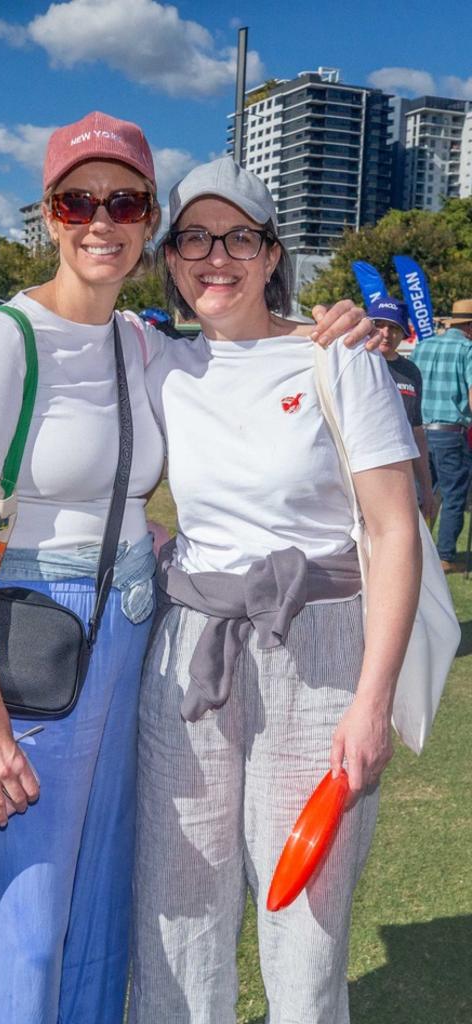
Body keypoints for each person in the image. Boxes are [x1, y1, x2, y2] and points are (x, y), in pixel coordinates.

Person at [0, 112, 374, 1024]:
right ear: (48, 215)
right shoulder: (0, 340)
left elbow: (248, 370)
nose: (101, 220)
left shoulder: (143, 344)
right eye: (77, 200)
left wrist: (346, 328)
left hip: (138, 637)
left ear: (146, 228)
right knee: (27, 911)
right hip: (29, 638)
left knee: (106, 907)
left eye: (123, 200)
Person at [129, 159, 421, 1024]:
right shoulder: (161, 363)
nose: (215, 256)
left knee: (309, 913)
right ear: (171, 259)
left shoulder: (339, 358)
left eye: (238, 238)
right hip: (191, 652)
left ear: (270, 254)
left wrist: (372, 704)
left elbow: (395, 530)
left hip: (322, 650)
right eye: (193, 237)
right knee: (178, 899)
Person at [412, 298, 472, 571]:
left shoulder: (423, 346)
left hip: (419, 430)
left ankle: (415, 550)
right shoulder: (467, 348)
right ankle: (445, 555)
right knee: (453, 496)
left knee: (423, 495)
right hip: (450, 433)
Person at [368, 297, 434, 520]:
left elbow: (416, 432)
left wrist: (426, 487)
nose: (386, 333)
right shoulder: (356, 362)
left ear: (403, 333)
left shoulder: (410, 372)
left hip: (398, 476)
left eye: (394, 327)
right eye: (380, 325)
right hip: (358, 473)